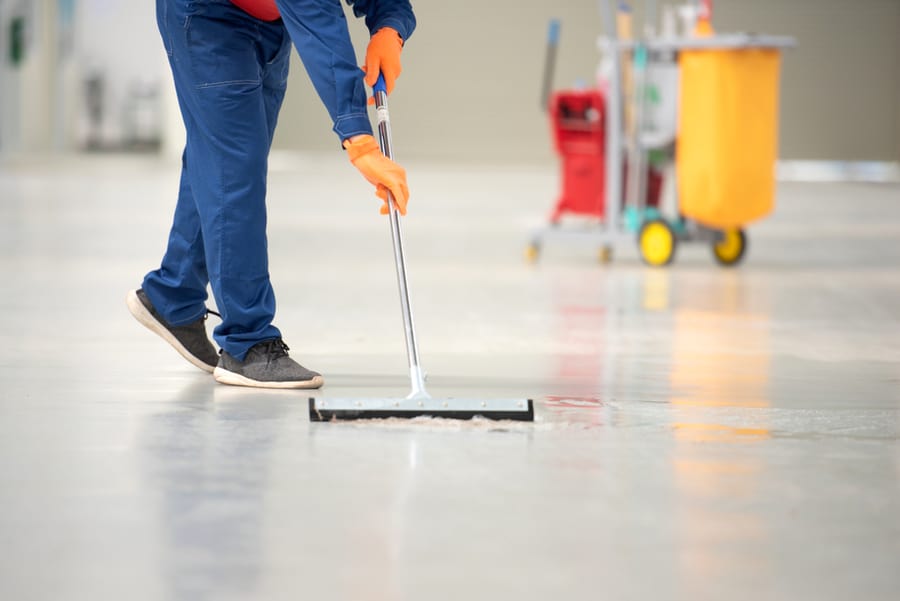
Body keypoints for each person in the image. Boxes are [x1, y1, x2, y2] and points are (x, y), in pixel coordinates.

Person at [127, 0, 415, 389]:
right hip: (206, 18)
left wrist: (390, 27)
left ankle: (173, 295)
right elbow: (319, 26)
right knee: (236, 171)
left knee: (225, 164)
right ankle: (247, 344)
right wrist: (359, 140)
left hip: (268, 22)